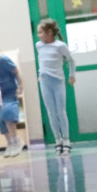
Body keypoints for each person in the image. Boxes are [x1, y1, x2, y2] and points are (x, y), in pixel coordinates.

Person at [35, 18, 76, 154]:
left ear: (50, 32)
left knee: (61, 111)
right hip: (44, 81)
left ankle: (66, 139)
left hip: (57, 81)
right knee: (51, 112)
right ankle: (57, 140)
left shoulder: (60, 46)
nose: (39, 35)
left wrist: (72, 75)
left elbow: (71, 60)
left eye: (41, 32)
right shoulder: (39, 45)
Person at [0, 35, 25, 157]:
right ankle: (10, 143)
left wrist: (20, 86)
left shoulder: (3, 60)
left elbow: (16, 72)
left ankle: (16, 141)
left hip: (9, 93)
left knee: (7, 113)